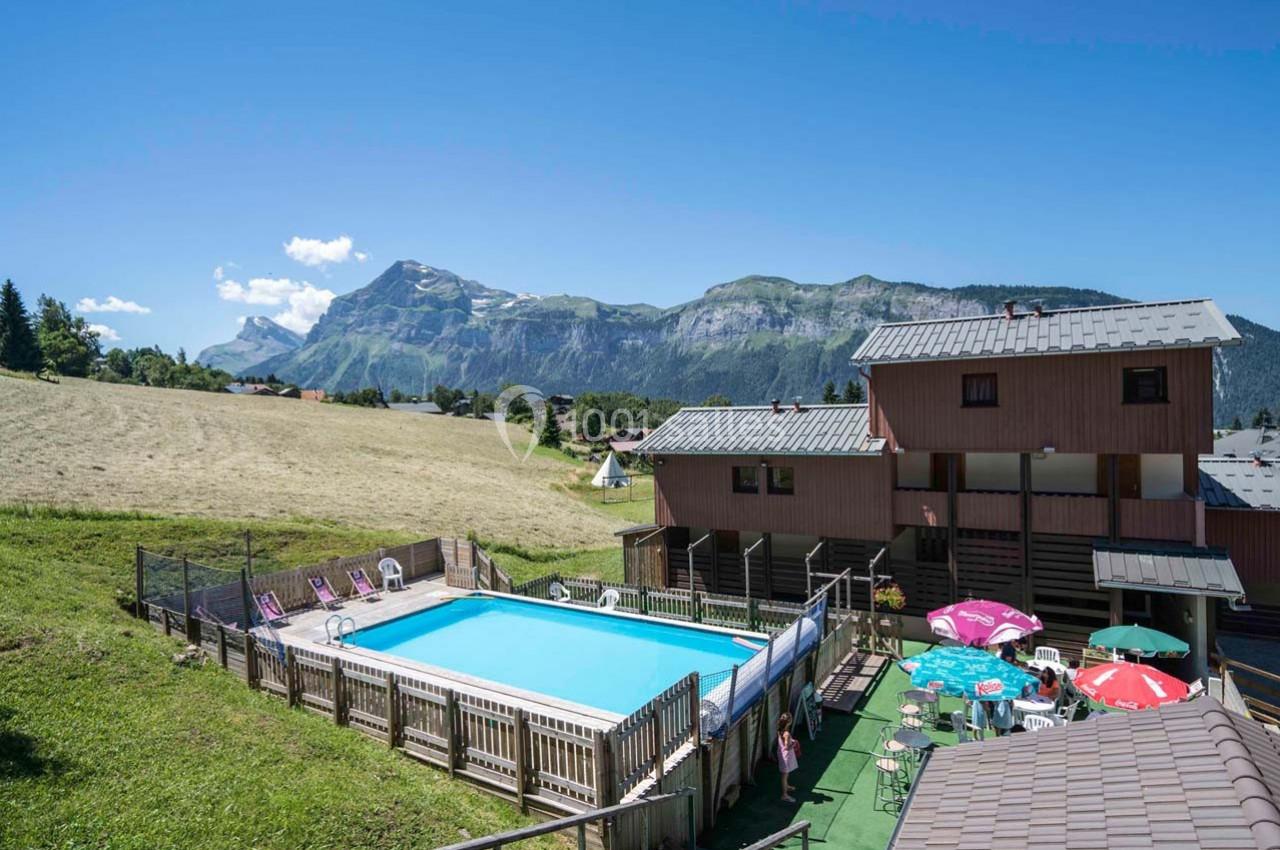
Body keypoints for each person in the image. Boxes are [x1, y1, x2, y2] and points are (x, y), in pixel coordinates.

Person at [776, 713, 799, 802]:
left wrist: (790, 741)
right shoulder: (787, 733)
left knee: (786, 772)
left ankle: (787, 786)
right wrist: (794, 743)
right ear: (789, 722)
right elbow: (786, 747)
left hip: (781, 754)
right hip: (786, 755)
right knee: (785, 775)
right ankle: (784, 795)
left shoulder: (780, 729)